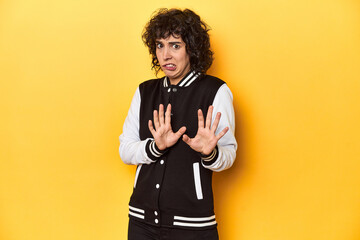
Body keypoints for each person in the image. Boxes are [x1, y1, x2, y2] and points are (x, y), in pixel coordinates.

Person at [119, 8, 237, 240]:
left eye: (175, 45)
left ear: (191, 49)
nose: (166, 55)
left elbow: (229, 155)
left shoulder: (215, 91)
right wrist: (155, 146)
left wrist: (210, 153)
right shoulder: (145, 92)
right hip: (141, 222)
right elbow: (125, 150)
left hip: (192, 225)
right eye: (160, 45)